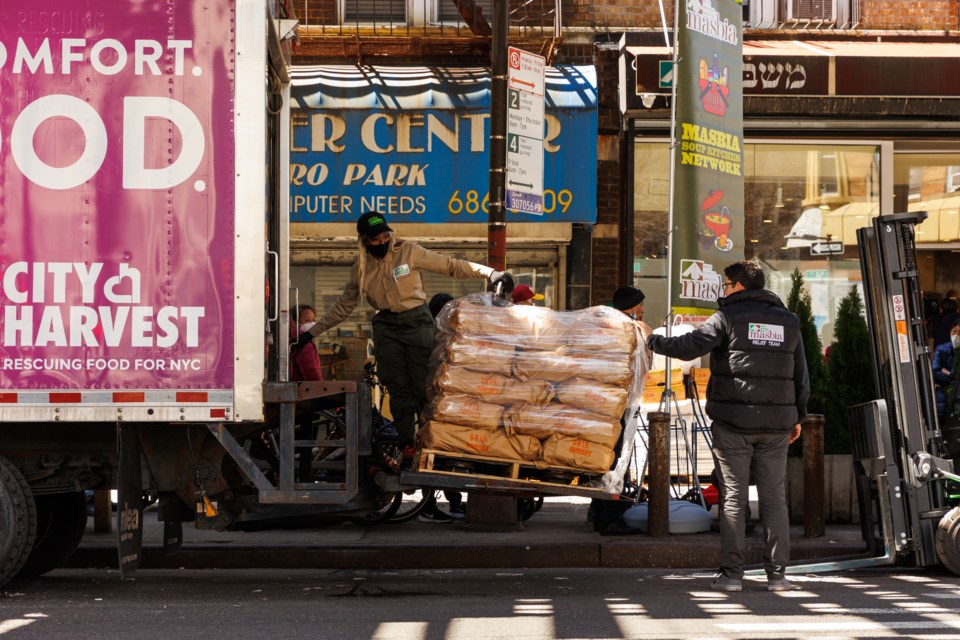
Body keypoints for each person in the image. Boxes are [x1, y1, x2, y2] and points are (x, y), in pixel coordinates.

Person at [637, 260, 809, 593]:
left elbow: (689, 346)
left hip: (734, 422)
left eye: (726, 285)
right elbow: (801, 374)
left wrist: (652, 339)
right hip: (777, 424)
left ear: (739, 286)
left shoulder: (726, 317)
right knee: (774, 499)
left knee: (733, 497)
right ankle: (778, 577)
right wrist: (798, 415)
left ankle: (732, 576)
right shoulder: (788, 321)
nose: (724, 291)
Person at [297, 211, 513, 465]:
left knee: (425, 384)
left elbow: (450, 265)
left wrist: (490, 273)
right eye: (375, 238)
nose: (382, 241)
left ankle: (434, 441)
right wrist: (311, 333)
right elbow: (344, 306)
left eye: (385, 235)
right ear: (364, 240)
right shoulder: (361, 269)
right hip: (386, 326)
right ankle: (406, 444)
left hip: (416, 320)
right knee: (398, 389)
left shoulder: (409, 252)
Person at [933, 319, 960, 420]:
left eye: (959, 332)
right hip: (944, 394)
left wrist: (948, 372)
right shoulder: (942, 349)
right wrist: (954, 378)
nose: (956, 335)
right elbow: (935, 372)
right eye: (954, 331)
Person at [290, 305, 323, 382]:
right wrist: (321, 389)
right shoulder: (304, 344)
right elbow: (311, 373)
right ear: (295, 322)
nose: (312, 323)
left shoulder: (293, 339)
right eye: (307, 320)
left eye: (314, 320)